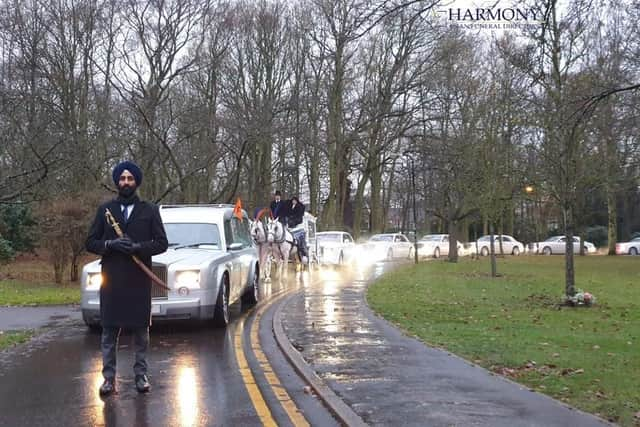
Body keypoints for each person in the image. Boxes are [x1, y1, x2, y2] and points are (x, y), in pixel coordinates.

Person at [85, 161, 168, 396]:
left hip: (138, 280)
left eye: (130, 179)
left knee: (141, 332)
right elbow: (90, 242)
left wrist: (138, 247)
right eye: (122, 179)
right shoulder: (106, 211)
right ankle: (109, 379)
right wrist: (110, 244)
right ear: (117, 182)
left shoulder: (149, 210)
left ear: (136, 182)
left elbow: (162, 243)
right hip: (112, 280)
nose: (126, 182)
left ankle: (141, 375)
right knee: (109, 332)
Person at [286, 196, 308, 263]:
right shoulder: (290, 207)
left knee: (301, 239)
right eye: (293, 200)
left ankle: (303, 253)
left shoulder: (299, 207)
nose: (293, 202)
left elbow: (299, 215)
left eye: (295, 200)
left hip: (297, 225)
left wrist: (293, 219)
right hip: (290, 225)